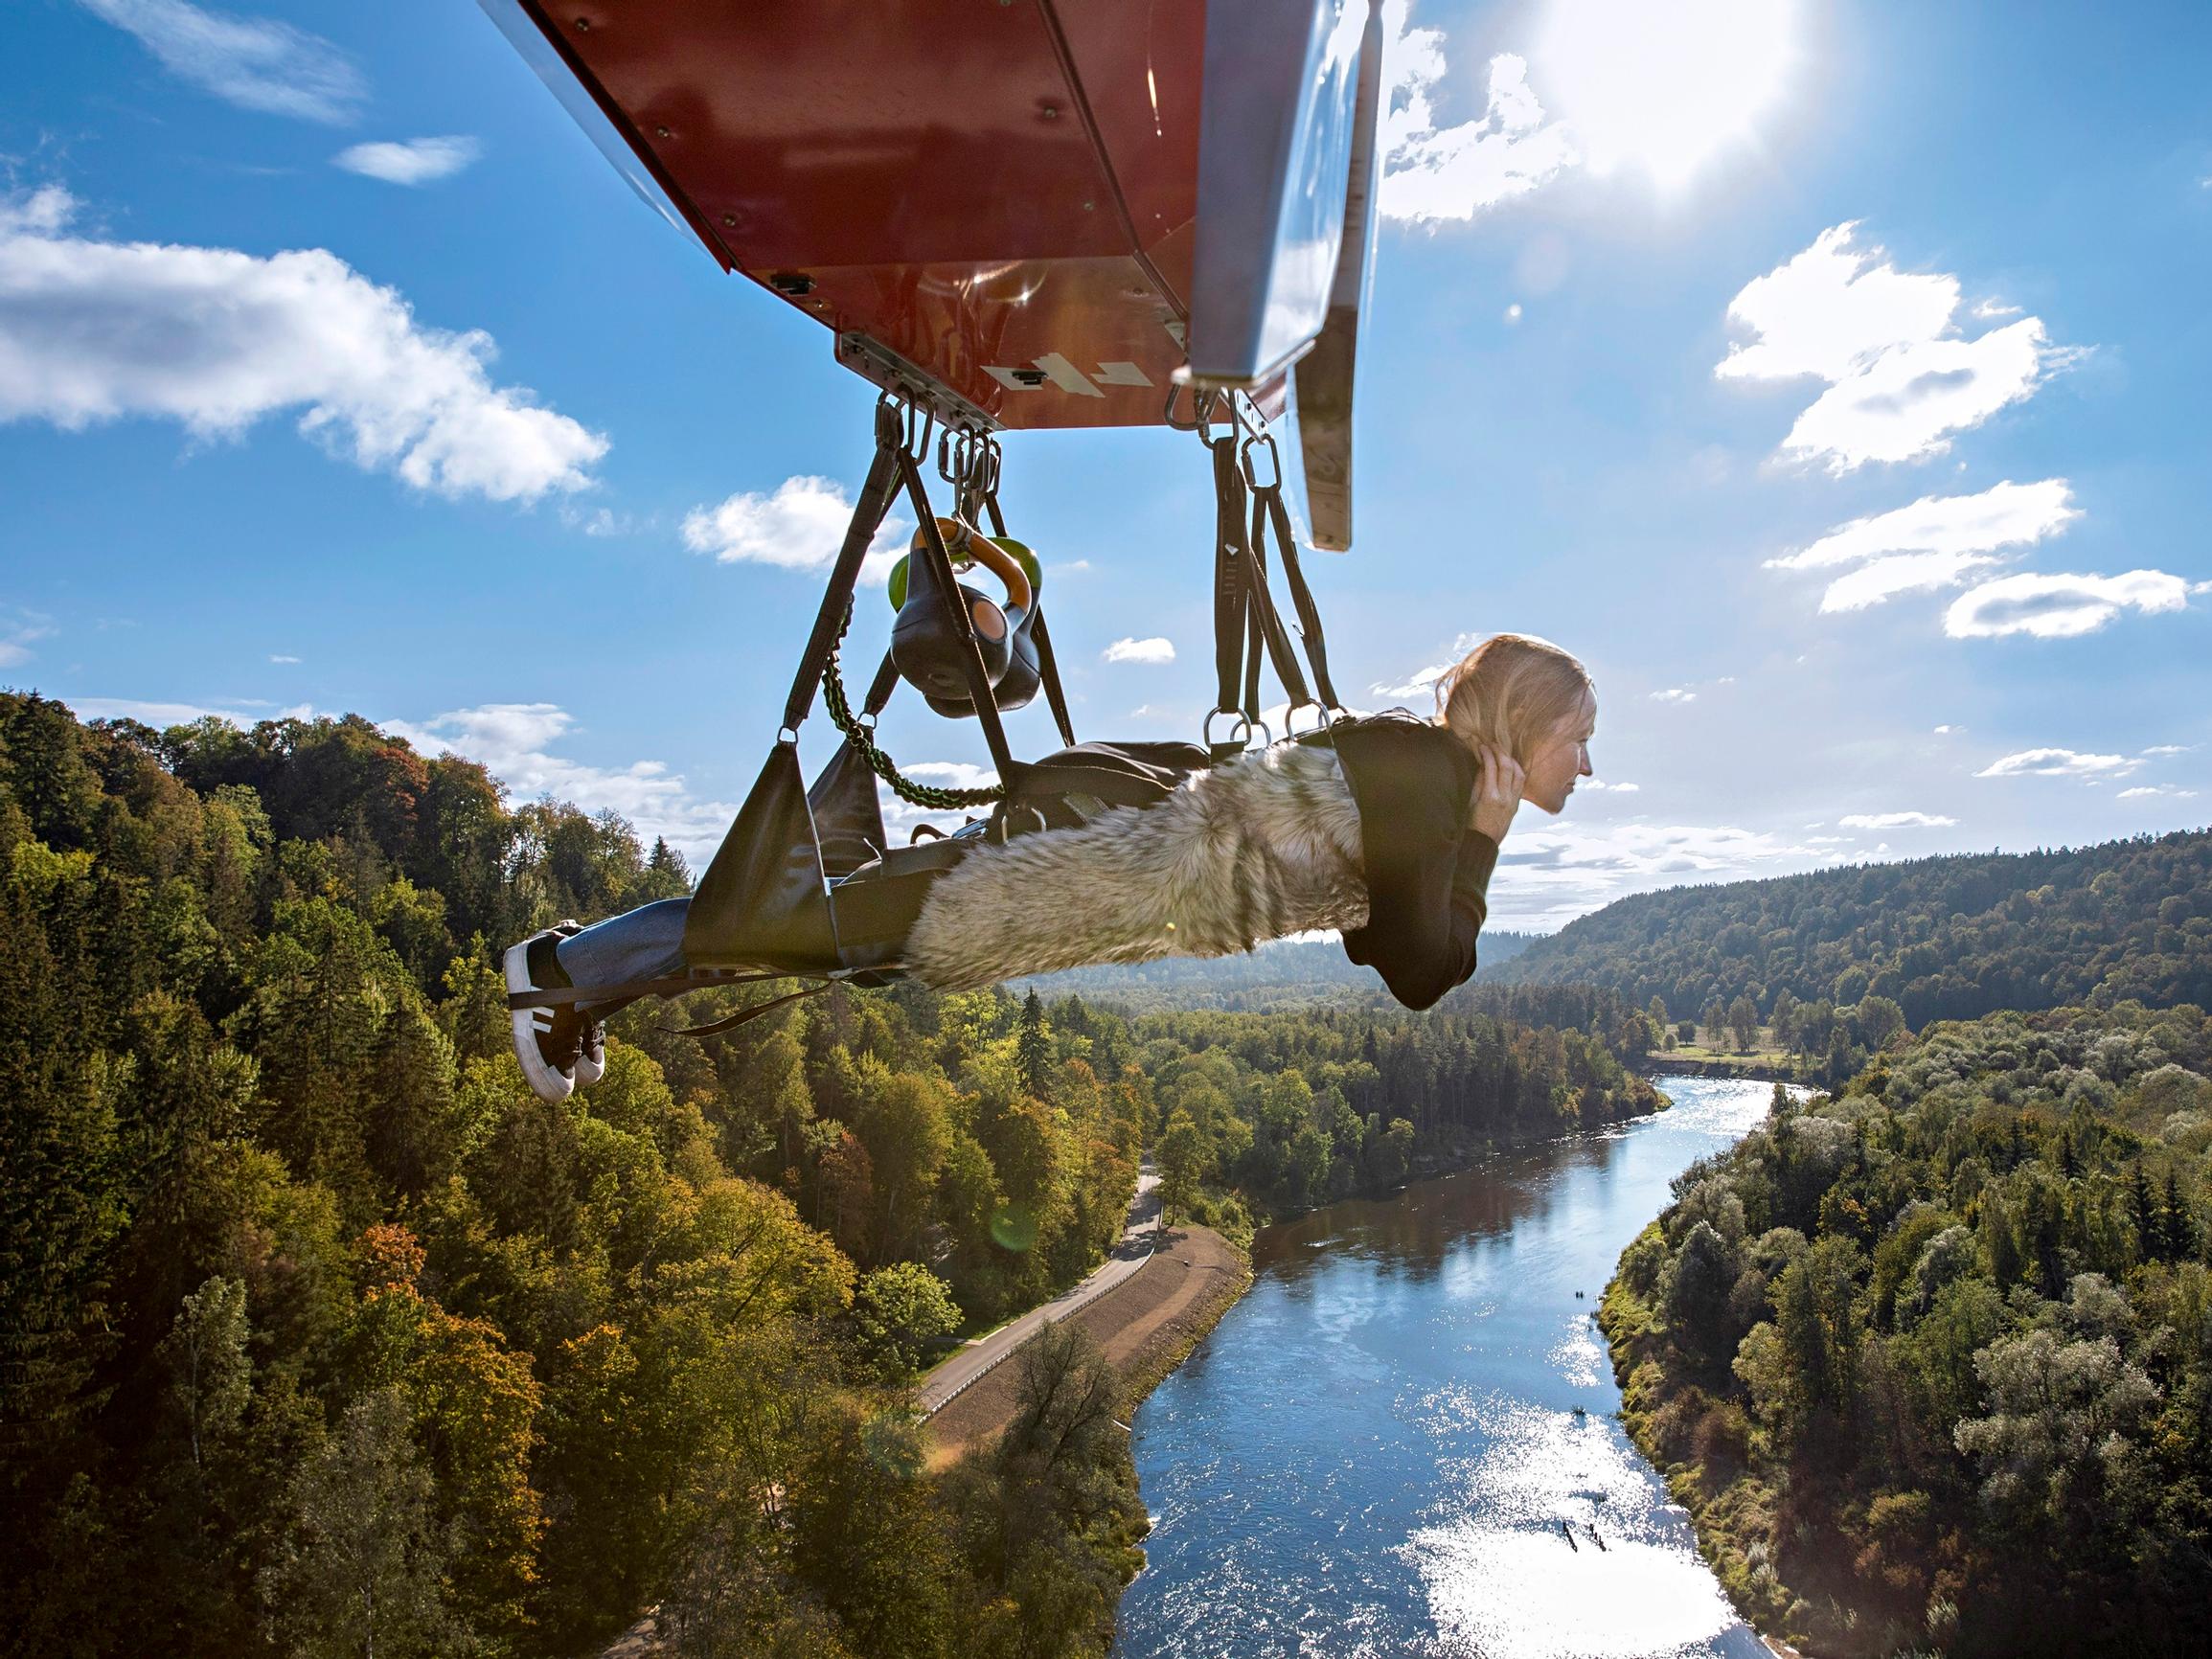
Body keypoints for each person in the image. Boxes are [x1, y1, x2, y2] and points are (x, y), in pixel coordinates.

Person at [506, 633, 1596, 1102]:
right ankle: (559, 969)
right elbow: (1417, 968)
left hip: (1091, 858)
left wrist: (1461, 857)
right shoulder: (1436, 786)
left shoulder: (1425, 776)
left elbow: (1381, 934)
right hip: (1082, 859)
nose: (1585, 766)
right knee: (802, 928)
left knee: (835, 935)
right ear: (1522, 723)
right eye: (1575, 738)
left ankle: (582, 980)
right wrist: (1485, 848)